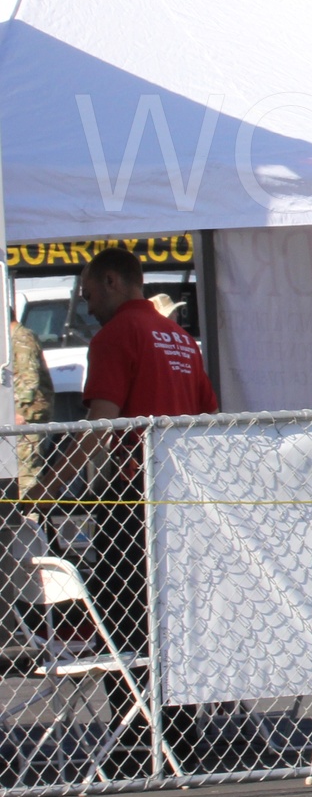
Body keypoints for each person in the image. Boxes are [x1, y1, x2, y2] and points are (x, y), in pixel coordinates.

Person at [61, 248, 217, 768]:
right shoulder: (181, 339)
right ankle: (180, 736)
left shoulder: (116, 336)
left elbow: (100, 423)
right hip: (181, 499)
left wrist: (50, 487)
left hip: (132, 498)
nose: (87, 308)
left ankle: (136, 739)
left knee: (123, 620)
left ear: (111, 281)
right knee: (177, 619)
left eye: (88, 294)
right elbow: (208, 417)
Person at [10, 307, 53, 500]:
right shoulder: (14, 339)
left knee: (26, 475)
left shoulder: (21, 338)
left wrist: (18, 411)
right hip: (22, 417)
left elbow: (29, 381)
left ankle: (30, 515)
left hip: (26, 418)